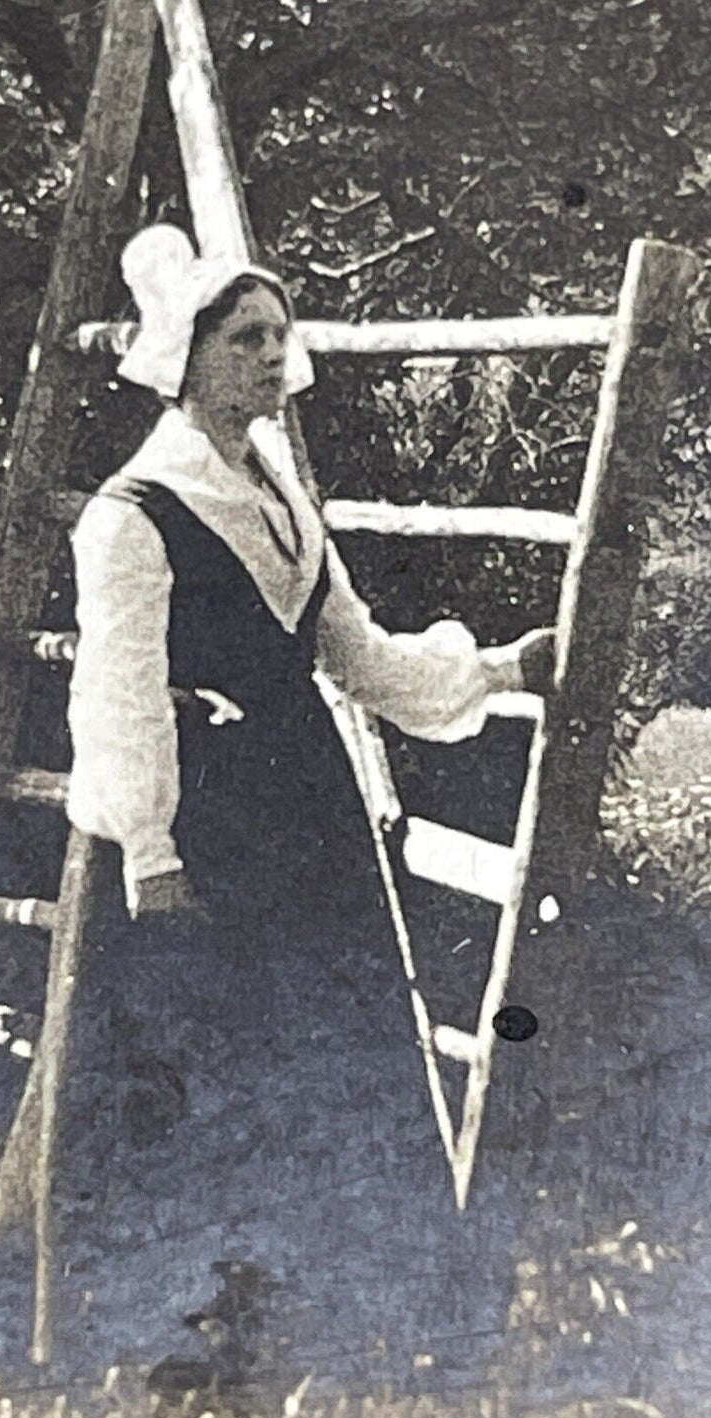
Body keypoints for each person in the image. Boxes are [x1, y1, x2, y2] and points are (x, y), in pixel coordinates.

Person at [65, 223, 556, 961]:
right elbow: (121, 697)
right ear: (186, 359)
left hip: (308, 800)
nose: (271, 354)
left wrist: (501, 668)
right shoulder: (132, 516)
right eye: (244, 338)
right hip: (204, 819)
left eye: (277, 334)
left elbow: (357, 656)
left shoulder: (282, 501)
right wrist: (149, 856)